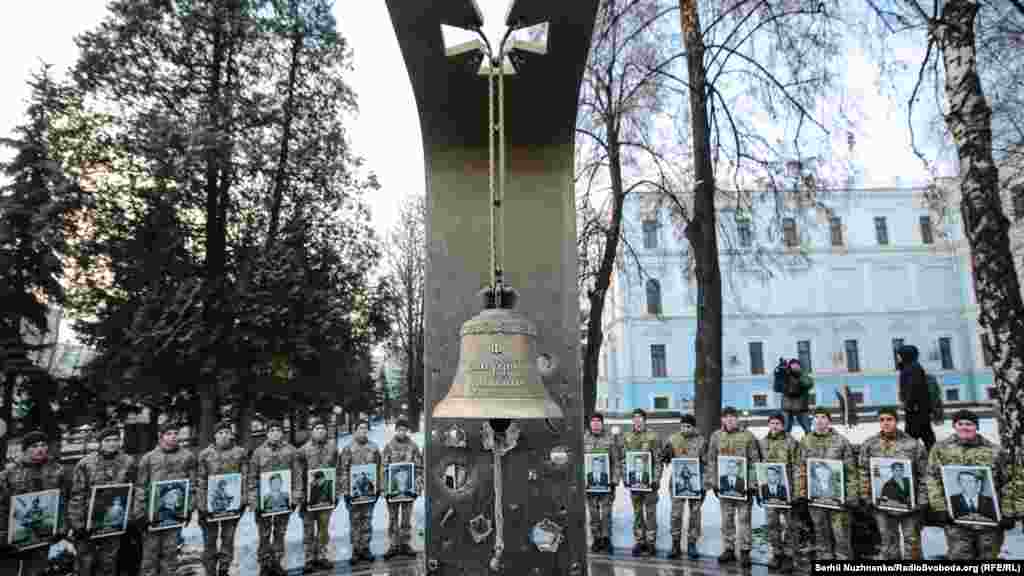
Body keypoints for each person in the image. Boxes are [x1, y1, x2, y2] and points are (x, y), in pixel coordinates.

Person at [927, 409, 1018, 559]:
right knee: (959, 556)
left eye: (969, 424)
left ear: (976, 427)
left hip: (990, 521)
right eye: (960, 423)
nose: (964, 427)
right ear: (954, 426)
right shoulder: (940, 449)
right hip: (956, 519)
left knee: (988, 557)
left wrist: (1008, 512)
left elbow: (1008, 482)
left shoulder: (994, 451)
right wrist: (939, 507)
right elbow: (932, 478)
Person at [859, 406, 927, 560]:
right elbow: (863, 472)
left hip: (910, 505)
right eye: (882, 420)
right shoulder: (870, 445)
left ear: (896, 421)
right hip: (882, 504)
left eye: (889, 419)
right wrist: (867, 497)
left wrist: (922, 500)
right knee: (888, 543)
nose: (885, 423)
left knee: (912, 543)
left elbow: (924, 474)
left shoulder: (913, 445)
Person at [69, 426, 137, 576]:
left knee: (108, 562)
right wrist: (78, 524)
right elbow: (76, 495)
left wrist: (129, 518)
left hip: (114, 521)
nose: (112, 444)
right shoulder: (86, 464)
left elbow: (133, 492)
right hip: (88, 523)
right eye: (107, 440)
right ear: (100, 442)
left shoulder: (128, 462)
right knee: (85, 563)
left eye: (115, 440)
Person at [795, 407, 859, 561]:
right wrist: (801, 493)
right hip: (816, 498)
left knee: (841, 534)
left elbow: (851, 471)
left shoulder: (841, 441)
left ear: (829, 421)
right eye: (816, 417)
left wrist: (851, 495)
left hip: (838, 499)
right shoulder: (806, 441)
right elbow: (800, 468)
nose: (819, 420)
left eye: (823, 417)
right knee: (820, 533)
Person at [0, 431, 67, 576]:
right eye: (35, 446)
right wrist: (4, 536)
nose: (40, 449)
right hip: (17, 534)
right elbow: (2, 507)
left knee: (39, 569)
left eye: (43, 445)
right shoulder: (9, 473)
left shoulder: (57, 470)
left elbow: (63, 501)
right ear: (25, 449)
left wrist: (60, 529)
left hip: (45, 532)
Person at [135, 422, 198, 576]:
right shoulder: (149, 458)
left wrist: (188, 508)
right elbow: (141, 487)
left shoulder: (187, 457)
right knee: (150, 556)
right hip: (153, 515)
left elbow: (193, 486)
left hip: (175, 514)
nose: (173, 437)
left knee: (170, 554)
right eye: (168, 434)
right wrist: (140, 513)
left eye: (175, 433)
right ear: (161, 436)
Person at [705, 406, 761, 566]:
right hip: (725, 487)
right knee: (726, 519)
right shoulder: (716, 436)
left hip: (743, 488)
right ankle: (729, 549)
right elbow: (712, 460)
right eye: (726, 417)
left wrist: (752, 484)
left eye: (732, 417)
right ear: (722, 419)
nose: (729, 419)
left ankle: (745, 551)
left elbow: (754, 461)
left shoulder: (747, 436)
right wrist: (714, 483)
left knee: (744, 519)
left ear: (737, 419)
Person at [249, 419, 300, 576]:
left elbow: (297, 476)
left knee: (280, 532)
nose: (275, 433)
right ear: (267, 433)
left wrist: (295, 497)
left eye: (278, 430)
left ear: (282, 432)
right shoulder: (258, 453)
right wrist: (254, 501)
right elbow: (252, 478)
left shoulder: (291, 451)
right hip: (264, 502)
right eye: (272, 430)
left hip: (284, 501)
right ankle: (265, 564)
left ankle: (277, 562)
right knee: (264, 533)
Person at [197, 420, 247, 576]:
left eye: (227, 432)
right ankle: (210, 570)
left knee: (228, 537)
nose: (224, 436)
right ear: (215, 435)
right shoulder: (205, 454)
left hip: (232, 504)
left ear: (231, 435)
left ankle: (224, 569)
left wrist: (243, 501)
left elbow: (245, 477)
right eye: (220, 433)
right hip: (209, 506)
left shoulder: (240, 453)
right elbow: (200, 480)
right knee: (210, 539)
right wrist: (202, 505)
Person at [661, 413, 706, 560]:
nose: (685, 429)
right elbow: (665, 458)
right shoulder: (673, 439)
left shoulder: (701, 441)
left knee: (695, 515)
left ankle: (692, 544)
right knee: (676, 515)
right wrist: (665, 455)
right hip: (677, 483)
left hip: (696, 483)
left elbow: (707, 464)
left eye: (688, 426)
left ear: (693, 427)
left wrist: (705, 484)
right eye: (682, 426)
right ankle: (675, 545)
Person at [759, 413, 799, 572]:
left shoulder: (791, 442)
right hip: (769, 493)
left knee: (790, 525)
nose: (774, 426)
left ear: (783, 425)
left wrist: (797, 492)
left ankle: (789, 556)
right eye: (772, 423)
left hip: (788, 491)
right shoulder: (762, 443)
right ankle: (777, 554)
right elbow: (758, 466)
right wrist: (758, 488)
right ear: (769, 425)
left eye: (777, 423)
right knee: (772, 524)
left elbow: (797, 467)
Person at [298, 417, 339, 572]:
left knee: (323, 528)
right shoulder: (303, 450)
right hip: (308, 498)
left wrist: (336, 493)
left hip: (326, 497)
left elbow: (337, 469)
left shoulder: (332, 448)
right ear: (311, 431)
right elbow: (298, 475)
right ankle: (309, 559)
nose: (320, 431)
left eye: (323, 428)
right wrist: (300, 497)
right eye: (317, 428)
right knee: (308, 529)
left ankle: (322, 556)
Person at [340, 420, 382, 565]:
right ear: (355, 430)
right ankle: (356, 550)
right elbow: (343, 471)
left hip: (369, 491)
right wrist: (346, 491)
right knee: (355, 521)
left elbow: (378, 469)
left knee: (367, 520)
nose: (363, 431)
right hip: (354, 492)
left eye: (365, 428)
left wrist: (378, 489)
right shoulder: (348, 449)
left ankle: (365, 548)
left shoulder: (374, 448)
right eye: (360, 428)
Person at [382, 417, 423, 560]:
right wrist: (385, 489)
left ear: (407, 431)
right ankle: (393, 545)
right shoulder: (389, 447)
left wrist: (416, 488)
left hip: (408, 490)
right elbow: (384, 469)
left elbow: (419, 468)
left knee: (406, 518)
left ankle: (405, 544)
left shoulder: (413, 447)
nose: (402, 432)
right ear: (396, 430)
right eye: (399, 429)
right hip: (393, 490)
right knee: (393, 518)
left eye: (404, 430)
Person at [622, 409, 661, 556]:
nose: (637, 420)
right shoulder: (627, 437)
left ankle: (651, 543)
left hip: (649, 483)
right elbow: (624, 459)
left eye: (640, 418)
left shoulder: (653, 437)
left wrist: (656, 479)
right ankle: (640, 541)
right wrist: (626, 478)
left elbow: (658, 461)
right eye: (635, 418)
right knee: (637, 513)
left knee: (650, 513)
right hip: (635, 484)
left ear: (645, 420)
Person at [584, 413, 619, 554]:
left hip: (607, 484)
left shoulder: (610, 439)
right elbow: (580, 462)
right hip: (590, 485)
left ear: (602, 423)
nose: (596, 424)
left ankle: (606, 539)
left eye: (598, 421)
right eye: (593, 421)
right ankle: (596, 539)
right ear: (590, 424)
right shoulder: (583, 439)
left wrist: (614, 480)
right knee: (593, 514)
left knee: (606, 513)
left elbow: (616, 462)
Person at [896, 345, 936, 450]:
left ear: (906, 355)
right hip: (917, 409)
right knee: (925, 435)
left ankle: (913, 458)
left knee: (914, 437)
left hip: (916, 410)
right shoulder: (909, 367)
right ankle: (932, 455)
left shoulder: (912, 368)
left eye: (899, 355)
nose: (897, 357)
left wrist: (908, 404)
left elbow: (914, 388)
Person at [780, 359, 814, 435]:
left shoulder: (804, 375)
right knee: (785, 429)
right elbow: (777, 387)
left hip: (801, 406)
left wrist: (800, 374)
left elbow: (808, 384)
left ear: (800, 366)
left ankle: (810, 442)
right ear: (789, 366)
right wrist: (780, 372)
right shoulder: (786, 376)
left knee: (808, 429)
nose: (794, 366)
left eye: (796, 365)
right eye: (792, 365)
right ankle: (785, 444)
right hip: (787, 406)